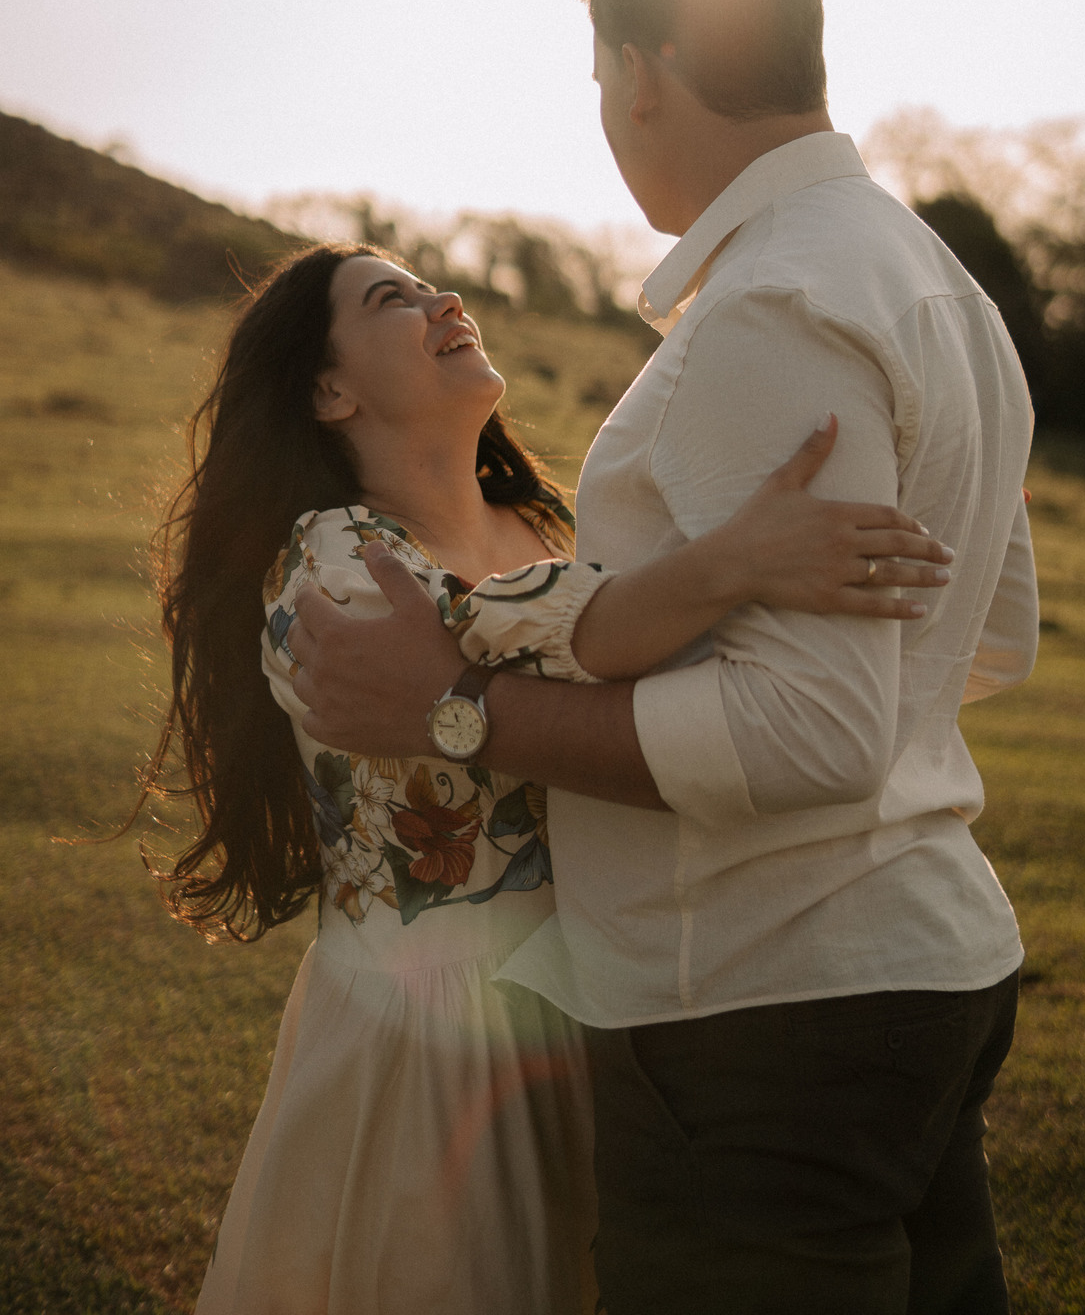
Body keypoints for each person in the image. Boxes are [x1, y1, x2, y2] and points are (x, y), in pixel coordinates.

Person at [290, 0, 1041, 1315]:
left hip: (763, 1008)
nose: (606, 113)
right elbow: (989, 635)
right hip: (918, 971)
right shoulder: (935, 283)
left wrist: (459, 711)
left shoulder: (770, 309)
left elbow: (813, 731)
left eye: (598, 77)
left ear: (644, 70)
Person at [145, 237, 954, 1315]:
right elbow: (537, 638)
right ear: (331, 391)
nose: (445, 299)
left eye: (432, 283)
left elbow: (618, 657)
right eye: (392, 299)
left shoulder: (544, 528)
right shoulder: (332, 557)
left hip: (594, 1008)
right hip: (431, 1037)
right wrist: (737, 558)